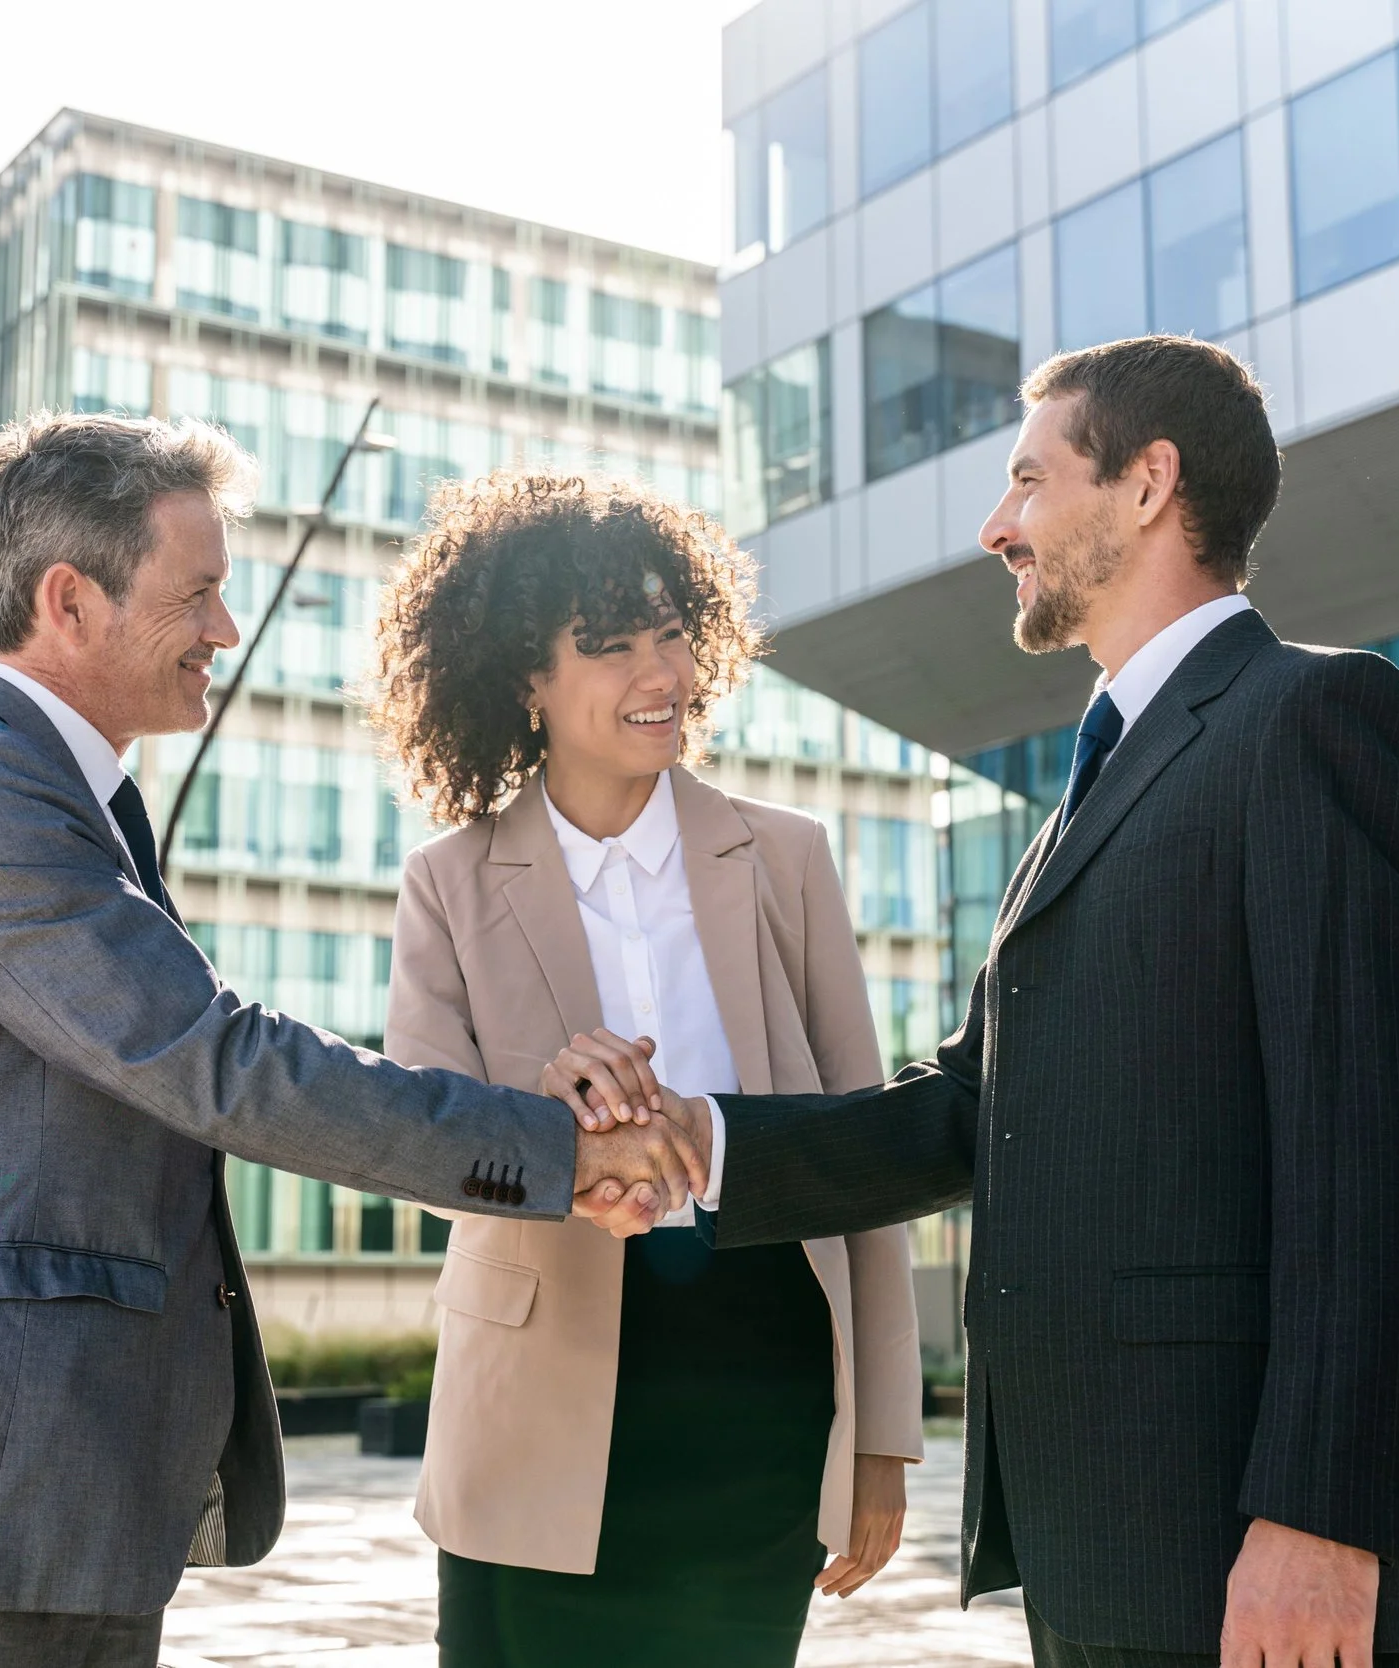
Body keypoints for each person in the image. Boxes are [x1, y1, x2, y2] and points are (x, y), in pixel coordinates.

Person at [0, 414, 703, 1668]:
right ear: (69, 600)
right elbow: (212, 1060)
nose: (223, 631)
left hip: (40, 1506)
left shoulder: (75, 798)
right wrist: (554, 1153)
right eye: (196, 593)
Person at [579, 338, 1399, 1668]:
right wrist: (697, 1150)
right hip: (1090, 1534)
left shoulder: (1314, 718)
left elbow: (1383, 1160)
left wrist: (1326, 1521)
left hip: (1235, 1541)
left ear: (1148, 485)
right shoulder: (1085, 798)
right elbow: (965, 1111)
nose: (999, 527)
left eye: (1027, 481)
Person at [367, 470, 925, 1667]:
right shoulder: (447, 885)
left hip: (760, 1379)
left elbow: (866, 1152)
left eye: (673, 633)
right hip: (533, 1398)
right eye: (611, 645)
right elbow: (417, 1144)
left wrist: (881, 1434)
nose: (659, 675)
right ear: (526, 677)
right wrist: (543, 1119)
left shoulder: (785, 860)